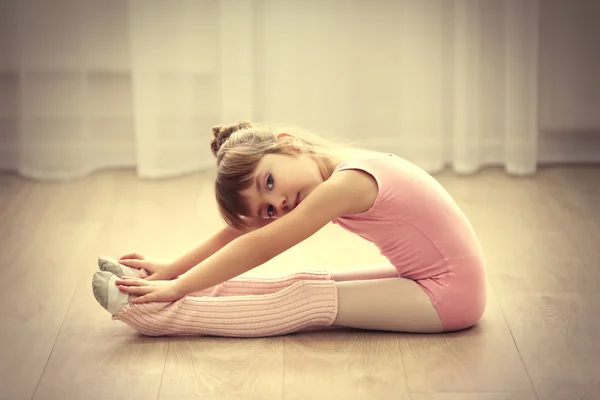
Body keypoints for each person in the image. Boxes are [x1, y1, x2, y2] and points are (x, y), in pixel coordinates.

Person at [92, 120, 487, 337]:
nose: (276, 204)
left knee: (305, 297)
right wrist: (173, 268)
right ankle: (155, 290)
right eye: (267, 209)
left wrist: (178, 287)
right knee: (304, 280)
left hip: (447, 295)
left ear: (289, 144)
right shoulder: (332, 169)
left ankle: (156, 315)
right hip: (428, 279)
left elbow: (259, 245)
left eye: (269, 183)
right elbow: (240, 232)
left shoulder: (347, 183)